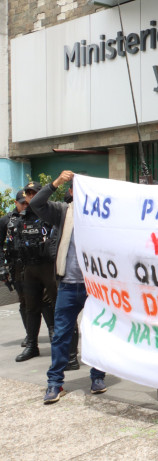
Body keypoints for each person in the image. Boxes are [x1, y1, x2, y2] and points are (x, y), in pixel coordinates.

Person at [28, 171, 108, 404]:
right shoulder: (64, 212)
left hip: (96, 288)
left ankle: (98, 377)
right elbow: (35, 203)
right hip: (69, 285)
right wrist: (56, 182)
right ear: (71, 192)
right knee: (61, 333)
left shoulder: (103, 216)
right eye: (76, 189)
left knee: (97, 331)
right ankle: (55, 382)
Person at [13, 181, 56, 362]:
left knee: (53, 305)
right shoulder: (22, 217)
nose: (30, 196)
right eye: (28, 193)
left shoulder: (51, 213)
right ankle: (32, 345)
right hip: (29, 268)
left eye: (34, 193)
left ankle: (58, 342)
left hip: (48, 267)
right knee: (31, 308)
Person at [0, 190, 31, 348]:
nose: (25, 205)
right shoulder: (6, 220)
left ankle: (52, 331)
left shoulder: (35, 216)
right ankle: (30, 336)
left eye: (27, 202)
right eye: (22, 203)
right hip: (17, 266)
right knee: (24, 301)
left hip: (36, 264)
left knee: (46, 301)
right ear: (16, 203)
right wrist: (2, 267)